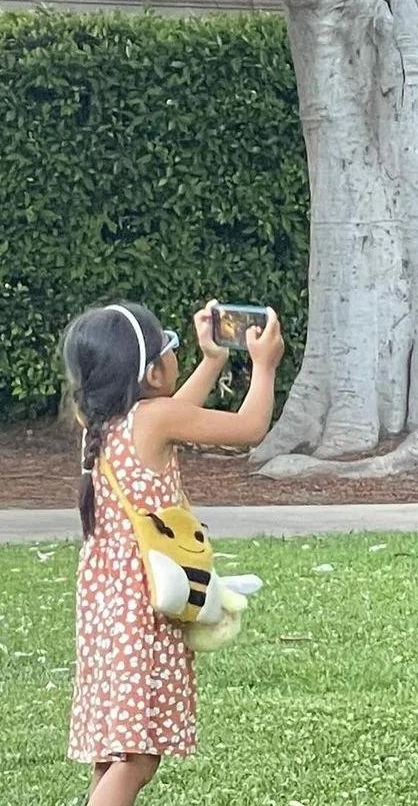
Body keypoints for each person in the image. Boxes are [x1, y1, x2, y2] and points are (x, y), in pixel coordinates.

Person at [62, 299, 284, 806]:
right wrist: (265, 366)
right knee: (137, 757)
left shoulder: (108, 424)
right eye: (172, 347)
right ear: (155, 371)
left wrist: (211, 360)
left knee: (116, 752)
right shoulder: (154, 420)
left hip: (107, 615)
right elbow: (249, 428)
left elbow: (173, 413)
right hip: (140, 616)